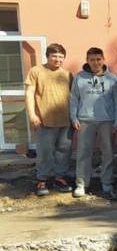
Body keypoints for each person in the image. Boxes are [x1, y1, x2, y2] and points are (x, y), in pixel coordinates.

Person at [69, 47, 117, 199]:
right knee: (83, 153)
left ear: (103, 59)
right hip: (85, 120)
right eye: (92, 60)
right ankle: (81, 184)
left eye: (98, 59)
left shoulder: (112, 78)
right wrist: (74, 118)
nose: (95, 62)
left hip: (107, 120)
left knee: (108, 153)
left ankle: (107, 182)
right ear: (87, 60)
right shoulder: (79, 77)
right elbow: (73, 99)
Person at [25, 43, 73, 196]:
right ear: (48, 56)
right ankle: (42, 179)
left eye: (61, 57)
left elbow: (74, 98)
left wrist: (74, 117)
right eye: (55, 56)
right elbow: (29, 93)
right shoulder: (36, 71)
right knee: (45, 152)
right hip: (44, 120)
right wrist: (32, 114)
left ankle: (59, 177)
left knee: (63, 151)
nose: (58, 59)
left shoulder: (67, 75)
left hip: (66, 121)